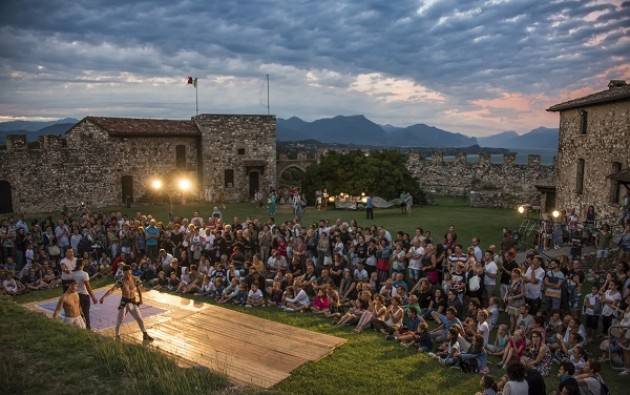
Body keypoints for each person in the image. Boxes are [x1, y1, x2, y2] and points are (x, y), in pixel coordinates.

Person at [100, 265, 153, 341]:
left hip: (132, 301)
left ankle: (145, 334)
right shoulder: (121, 281)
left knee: (140, 319)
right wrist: (103, 297)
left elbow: (139, 289)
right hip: (124, 302)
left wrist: (141, 299)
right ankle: (117, 335)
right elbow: (112, 289)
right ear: (123, 273)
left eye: (128, 273)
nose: (127, 275)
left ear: (130, 272)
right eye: (125, 274)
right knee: (120, 319)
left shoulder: (135, 279)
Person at [71, 259, 98, 329]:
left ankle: (80, 326)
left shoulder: (72, 274)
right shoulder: (84, 274)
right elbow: (88, 287)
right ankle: (88, 328)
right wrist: (93, 297)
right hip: (84, 295)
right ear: (82, 265)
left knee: (78, 313)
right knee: (86, 313)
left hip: (75, 295)